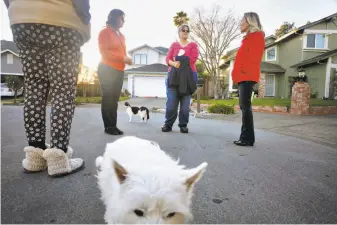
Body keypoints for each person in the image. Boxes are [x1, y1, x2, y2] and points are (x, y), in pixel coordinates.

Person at [5, 0, 91, 177]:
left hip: (21, 19)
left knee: (34, 86)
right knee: (62, 90)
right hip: (61, 21)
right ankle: (58, 157)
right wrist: (85, 18)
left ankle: (34, 157)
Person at [232, 12, 265, 147]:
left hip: (247, 76)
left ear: (250, 22)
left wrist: (242, 71)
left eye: (242, 20)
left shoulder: (257, 36)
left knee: (246, 108)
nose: (241, 23)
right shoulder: (248, 38)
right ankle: (244, 137)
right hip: (243, 76)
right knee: (244, 107)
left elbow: (254, 58)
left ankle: (248, 139)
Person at [97, 9, 132, 135]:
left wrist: (126, 59)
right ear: (114, 17)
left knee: (115, 99)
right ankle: (108, 127)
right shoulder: (104, 32)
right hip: (107, 68)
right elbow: (104, 52)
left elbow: (121, 53)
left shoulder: (122, 36)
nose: (124, 21)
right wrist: (122, 58)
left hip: (119, 70)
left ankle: (113, 125)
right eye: (122, 18)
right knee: (108, 98)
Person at [161, 24, 199, 134]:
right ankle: (168, 124)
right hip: (174, 76)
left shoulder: (193, 45)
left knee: (185, 103)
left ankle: (183, 125)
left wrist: (177, 60)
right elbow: (168, 58)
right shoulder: (174, 45)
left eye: (187, 30)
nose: (185, 32)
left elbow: (193, 59)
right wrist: (173, 62)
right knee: (172, 102)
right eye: (183, 30)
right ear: (179, 32)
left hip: (188, 76)